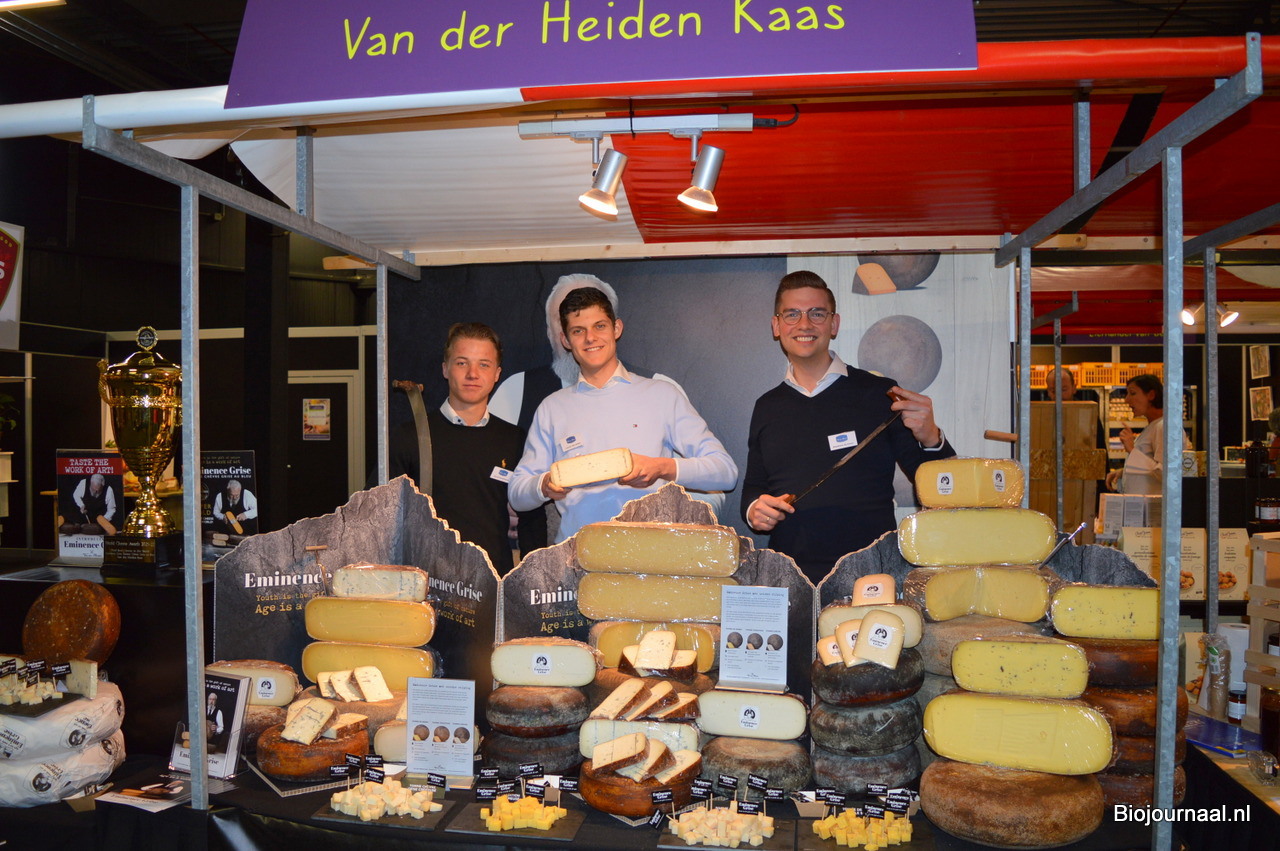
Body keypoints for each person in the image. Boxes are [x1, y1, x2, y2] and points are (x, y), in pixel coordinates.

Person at [741, 270, 955, 583]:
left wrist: (932, 438)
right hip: (789, 578)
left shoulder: (880, 393)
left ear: (834, 324)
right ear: (777, 326)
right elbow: (753, 487)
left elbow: (942, 490)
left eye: (817, 313)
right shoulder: (767, 406)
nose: (804, 324)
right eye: (792, 314)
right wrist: (754, 510)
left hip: (871, 576)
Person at [489, 273, 726, 542]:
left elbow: (724, 471)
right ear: (565, 340)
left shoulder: (662, 393)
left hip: (652, 553)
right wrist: (543, 485)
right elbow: (517, 494)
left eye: (599, 326)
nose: (590, 338)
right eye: (578, 331)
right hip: (577, 556)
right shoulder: (552, 407)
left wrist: (662, 467)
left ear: (616, 329)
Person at [389, 323, 537, 574]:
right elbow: (381, 515)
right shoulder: (410, 436)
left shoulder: (515, 440)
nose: (472, 374)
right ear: (445, 369)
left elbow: (532, 521)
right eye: (462, 363)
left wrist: (531, 577)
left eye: (484, 365)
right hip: (427, 582)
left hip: (494, 580)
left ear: (497, 374)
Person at [1105, 374, 1191, 495]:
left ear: (1151, 395)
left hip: (1155, 506)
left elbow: (1167, 474)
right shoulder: (1153, 426)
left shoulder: (1165, 426)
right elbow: (1151, 468)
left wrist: (1132, 450)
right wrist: (1124, 472)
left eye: (1133, 393)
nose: (1127, 400)